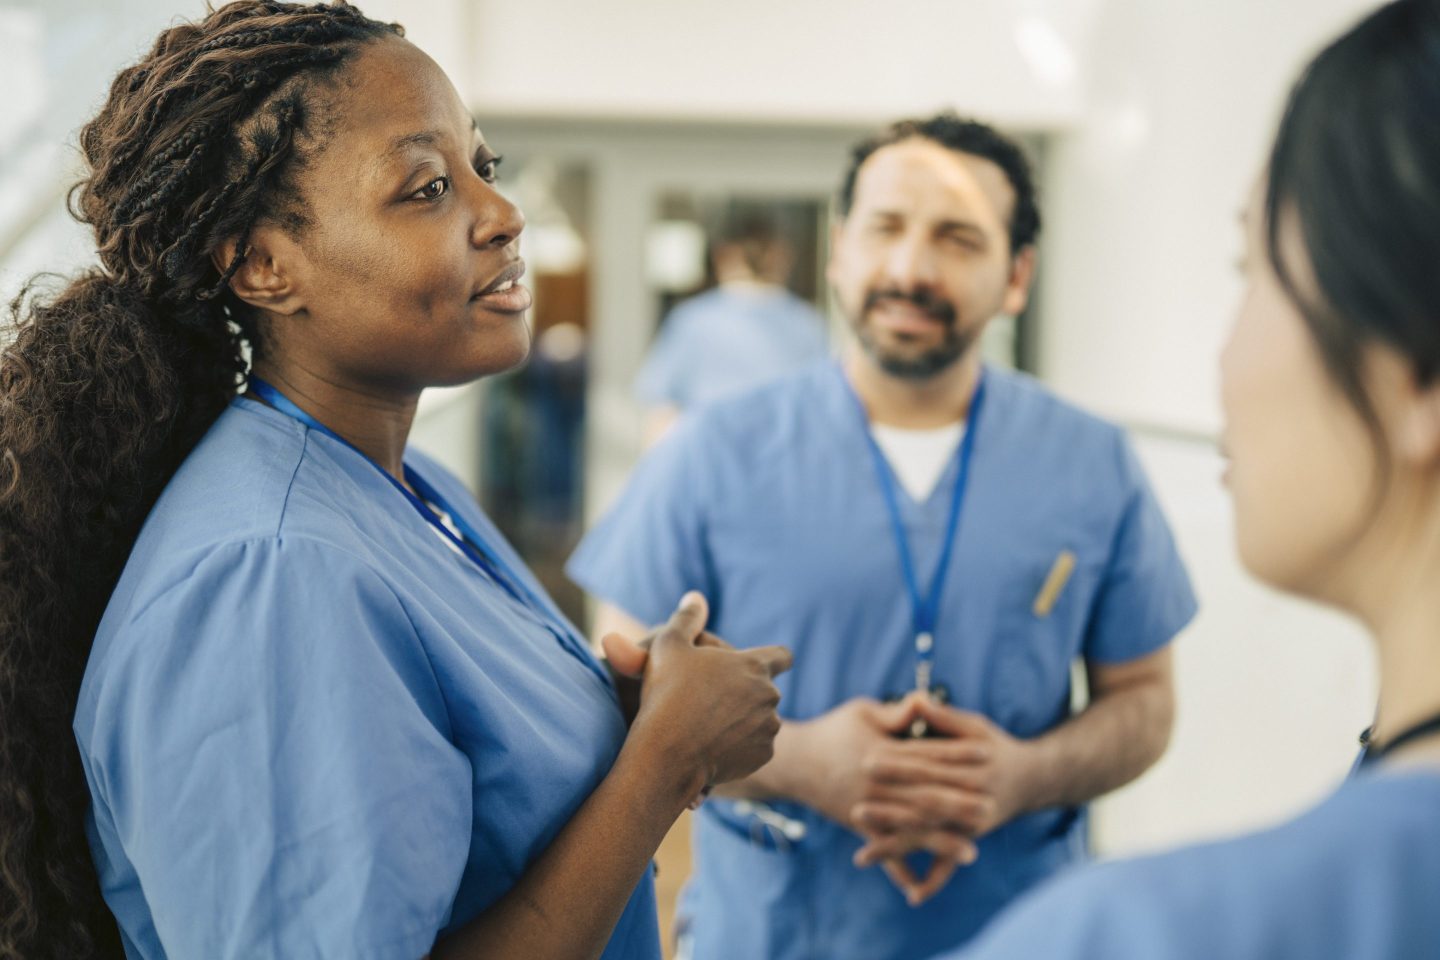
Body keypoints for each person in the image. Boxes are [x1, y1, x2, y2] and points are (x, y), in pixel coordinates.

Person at [0, 4, 790, 959]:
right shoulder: (273, 576)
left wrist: (623, 717)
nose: (501, 216)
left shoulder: (411, 490)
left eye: (482, 171)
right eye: (426, 188)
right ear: (261, 264)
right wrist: (666, 763)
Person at [567, 113, 1197, 960]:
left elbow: (1146, 703)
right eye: (886, 229)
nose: (909, 267)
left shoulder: (1091, 462)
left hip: (1024, 929)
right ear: (839, 253)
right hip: (777, 931)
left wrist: (1018, 778)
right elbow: (621, 688)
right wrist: (799, 761)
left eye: (957, 238)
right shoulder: (712, 452)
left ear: (1016, 277)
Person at [934, 2, 1440, 956]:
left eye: (1251, 269)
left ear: (1417, 368)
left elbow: (1142, 700)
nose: (1222, 359)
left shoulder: (1137, 936)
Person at [634, 216, 830, 445]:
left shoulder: (693, 320)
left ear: (722, 256)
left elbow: (662, 412)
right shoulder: (808, 322)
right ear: (782, 256)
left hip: (713, 459)